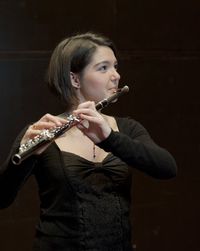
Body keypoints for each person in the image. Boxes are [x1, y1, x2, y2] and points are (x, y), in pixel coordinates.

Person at [0, 32, 177, 251]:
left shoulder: (127, 128)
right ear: (75, 79)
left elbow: (167, 168)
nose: (116, 75)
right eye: (104, 68)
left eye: (115, 66)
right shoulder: (40, 131)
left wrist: (109, 138)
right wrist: (24, 157)